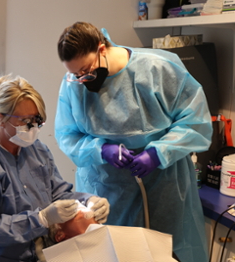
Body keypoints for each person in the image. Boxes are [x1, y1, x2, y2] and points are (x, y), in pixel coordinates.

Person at [55, 21, 213, 262]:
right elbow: (67, 135)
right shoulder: (73, 85)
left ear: (102, 48)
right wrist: (100, 149)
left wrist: (159, 153)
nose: (83, 80)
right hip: (106, 189)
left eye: (86, 71)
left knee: (167, 252)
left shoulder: (159, 68)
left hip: (165, 186)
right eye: (76, 75)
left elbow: (195, 121)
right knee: (113, 251)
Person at [0, 74, 110, 262]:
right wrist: (40, 220)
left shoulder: (36, 150)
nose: (33, 128)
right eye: (26, 121)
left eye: (37, 120)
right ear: (1, 118)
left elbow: (57, 194)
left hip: (29, 253)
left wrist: (89, 201)